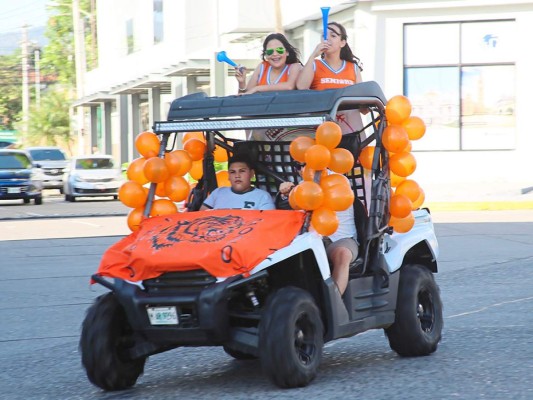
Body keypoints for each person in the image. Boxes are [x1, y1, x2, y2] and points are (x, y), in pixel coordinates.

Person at [279, 170, 357, 295]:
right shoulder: (303, 185)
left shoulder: (339, 179)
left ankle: (335, 303)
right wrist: (287, 195)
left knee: (343, 255)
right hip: (311, 239)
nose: (303, 168)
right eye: (302, 165)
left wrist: (299, 192)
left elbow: (318, 199)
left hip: (341, 239)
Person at [296, 22, 365, 135]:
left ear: (342, 42)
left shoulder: (353, 68)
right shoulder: (315, 64)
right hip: (324, 131)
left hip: (351, 131)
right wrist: (313, 55)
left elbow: (362, 104)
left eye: (333, 35)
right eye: (324, 35)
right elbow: (301, 86)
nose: (327, 38)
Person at [200, 154, 275, 211]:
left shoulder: (263, 196)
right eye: (233, 172)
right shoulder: (218, 193)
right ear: (228, 176)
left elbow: (268, 223)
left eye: (242, 171)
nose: (237, 176)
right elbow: (201, 217)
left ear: (252, 174)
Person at [235, 33, 302, 95]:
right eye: (270, 51)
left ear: (287, 52)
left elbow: (289, 86)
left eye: (280, 50)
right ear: (266, 55)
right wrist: (241, 83)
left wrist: (257, 88)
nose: (275, 54)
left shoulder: (295, 67)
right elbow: (246, 96)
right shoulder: (262, 67)